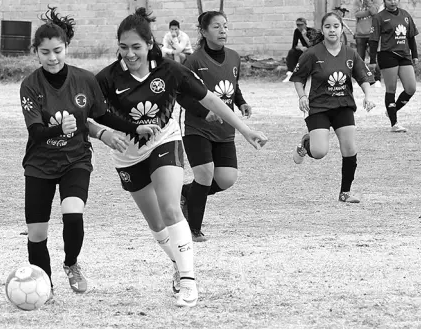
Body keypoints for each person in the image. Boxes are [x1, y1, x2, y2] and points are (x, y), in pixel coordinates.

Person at [95, 7, 267, 307]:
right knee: (157, 224)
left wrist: (244, 128)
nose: (130, 54)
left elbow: (210, 99)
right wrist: (104, 134)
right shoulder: (107, 78)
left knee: (171, 208)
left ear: (150, 44)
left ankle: (188, 282)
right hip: (128, 157)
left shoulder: (170, 71)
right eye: (123, 47)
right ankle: (178, 263)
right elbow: (85, 115)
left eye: (136, 46)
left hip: (165, 141)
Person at [19, 6, 157, 296]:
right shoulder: (29, 85)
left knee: (73, 214)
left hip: (76, 159)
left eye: (58, 50)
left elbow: (102, 115)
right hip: (39, 164)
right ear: (36, 52)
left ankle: (71, 264)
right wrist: (61, 128)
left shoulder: (84, 79)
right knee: (37, 234)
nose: (52, 58)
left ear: (66, 47)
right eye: (45, 52)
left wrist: (134, 128)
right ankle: (45, 288)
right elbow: (36, 132)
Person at [176, 11, 251, 242]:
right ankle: (193, 229)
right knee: (205, 174)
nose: (223, 31)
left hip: (225, 129)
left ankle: (186, 193)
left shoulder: (234, 57)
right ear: (203, 31)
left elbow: (232, 86)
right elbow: (181, 94)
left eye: (225, 27)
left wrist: (241, 102)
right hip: (197, 128)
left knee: (227, 178)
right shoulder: (194, 61)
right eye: (217, 27)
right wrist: (203, 111)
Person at [290, 12, 376, 203]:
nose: (332, 30)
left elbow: (363, 77)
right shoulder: (311, 54)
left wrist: (368, 97)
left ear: (341, 29)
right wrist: (302, 96)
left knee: (350, 147)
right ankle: (306, 144)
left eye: (336, 26)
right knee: (319, 152)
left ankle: (345, 193)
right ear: (323, 29)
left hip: (343, 105)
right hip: (318, 107)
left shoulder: (350, 53)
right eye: (328, 26)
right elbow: (298, 79)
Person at [369, 0, 419, 133]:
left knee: (411, 88)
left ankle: (392, 109)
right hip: (387, 55)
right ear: (385, 1)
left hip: (404, 55)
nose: (393, 2)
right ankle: (394, 123)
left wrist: (415, 55)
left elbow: (411, 37)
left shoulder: (405, 15)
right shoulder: (379, 17)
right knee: (391, 89)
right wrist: (372, 60)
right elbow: (373, 40)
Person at [353, 0, 383, 87]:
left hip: (372, 33)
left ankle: (376, 79)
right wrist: (368, 13)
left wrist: (369, 3)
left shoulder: (376, 1)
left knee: (373, 57)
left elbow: (374, 12)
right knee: (359, 58)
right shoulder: (357, 2)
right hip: (360, 34)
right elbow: (356, 14)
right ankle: (360, 79)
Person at [283, 18, 316, 82]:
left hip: (312, 49)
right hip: (304, 49)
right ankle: (290, 72)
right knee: (292, 52)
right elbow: (294, 45)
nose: (300, 27)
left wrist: (304, 35)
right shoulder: (297, 31)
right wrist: (300, 48)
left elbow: (311, 45)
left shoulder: (311, 31)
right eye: (298, 25)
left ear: (305, 24)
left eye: (301, 25)